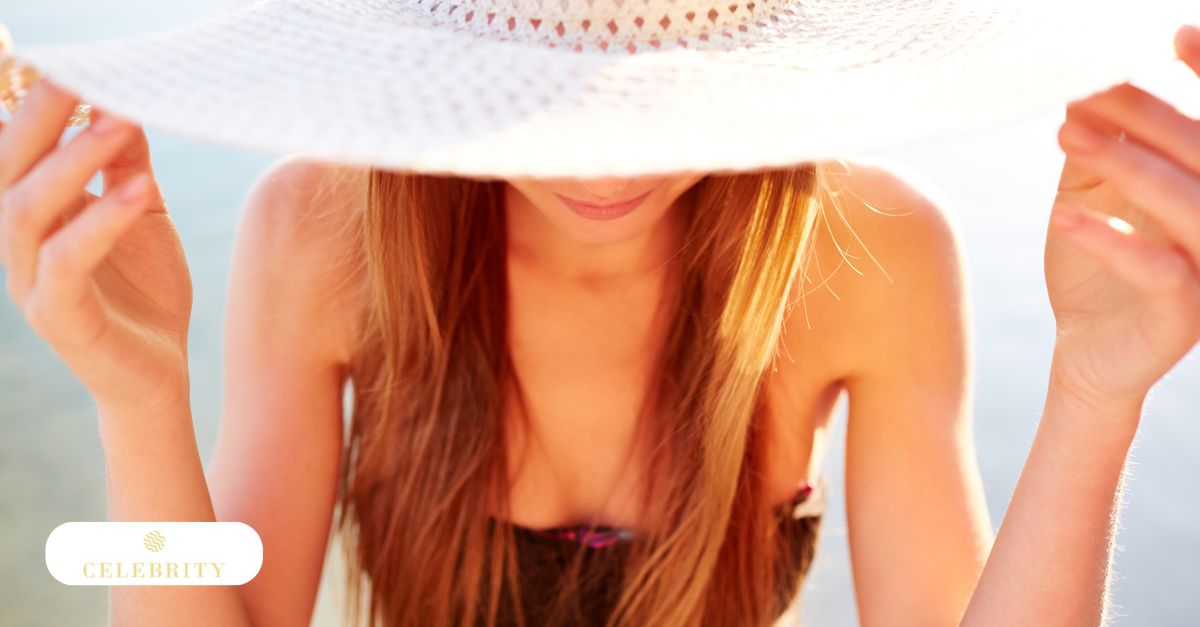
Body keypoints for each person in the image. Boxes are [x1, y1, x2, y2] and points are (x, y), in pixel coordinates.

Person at [1, 9, 1199, 627]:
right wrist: (137, 398)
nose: (607, 162)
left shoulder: (872, 249)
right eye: (550, 93)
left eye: (656, 83)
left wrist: (1095, 397)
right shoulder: (321, 228)